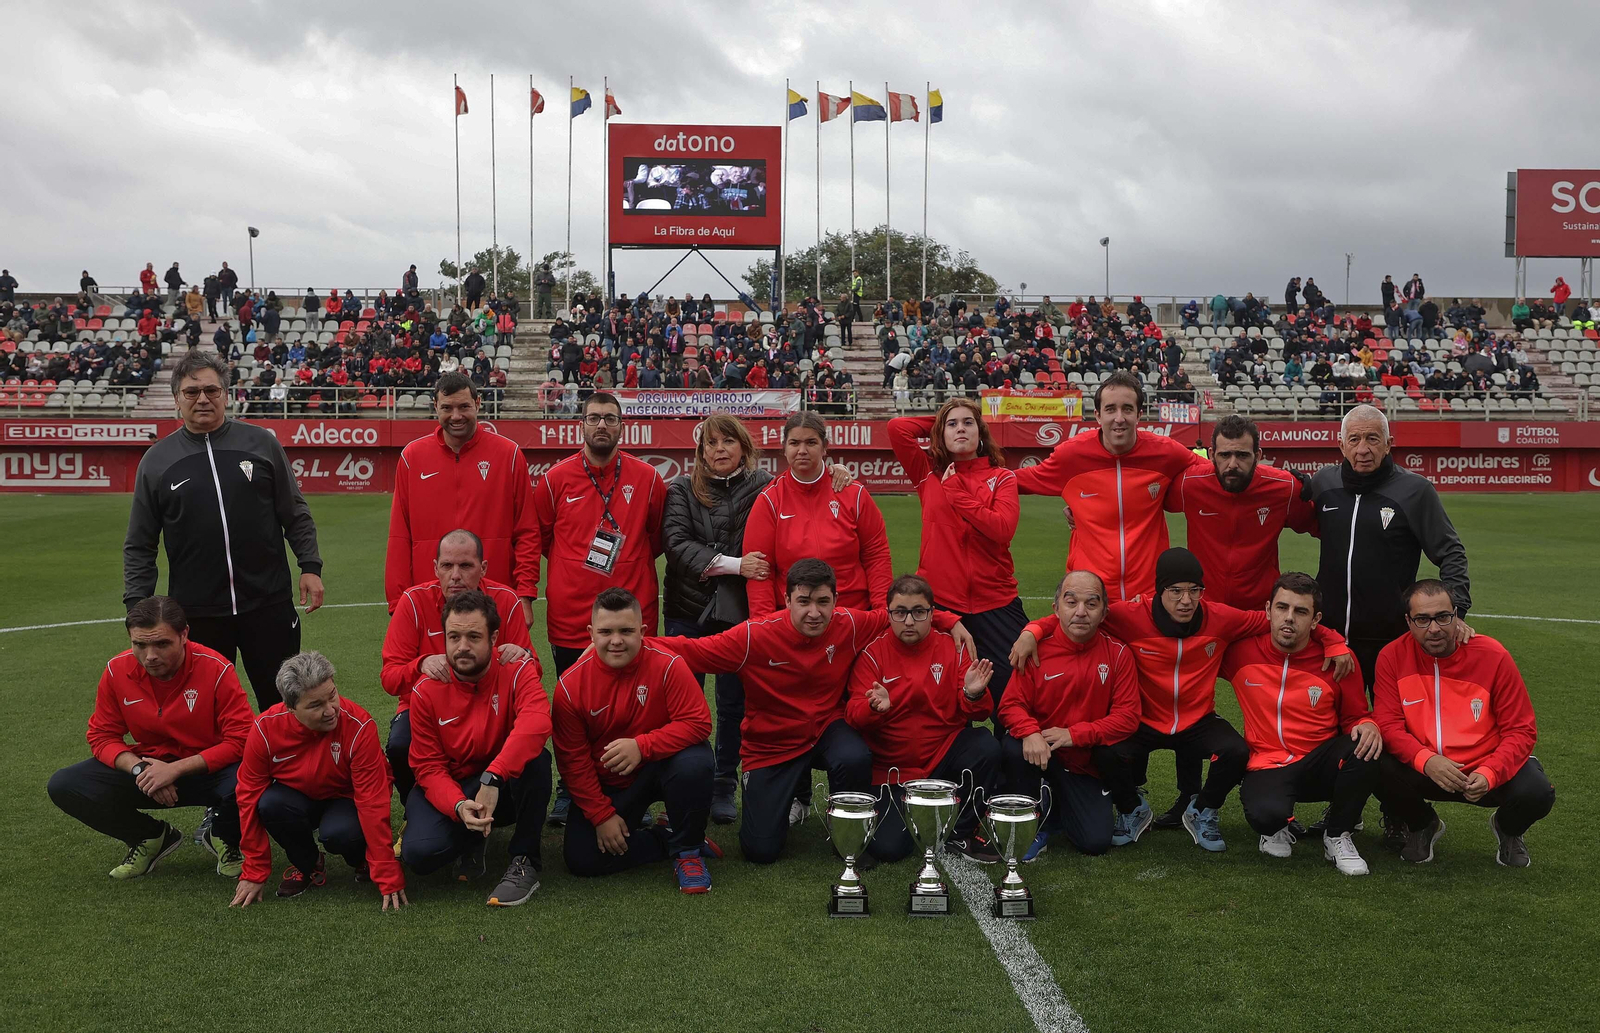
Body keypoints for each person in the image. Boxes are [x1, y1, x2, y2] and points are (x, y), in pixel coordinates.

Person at [1012, 548, 1356, 850]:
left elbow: (1281, 620)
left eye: (1194, 590)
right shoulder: (1130, 616)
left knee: (1236, 751)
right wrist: (1034, 630)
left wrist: (1333, 640)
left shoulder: (1222, 618)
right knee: (1106, 751)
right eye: (1175, 591)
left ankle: (1202, 810)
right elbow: (1082, 613)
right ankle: (1132, 809)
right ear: (1159, 591)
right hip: (1145, 719)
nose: (1186, 600)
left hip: (1197, 719)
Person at [655, 559, 971, 863]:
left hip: (826, 729)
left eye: (823, 602)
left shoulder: (849, 623)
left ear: (835, 600)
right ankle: (787, 794)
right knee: (760, 850)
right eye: (804, 601)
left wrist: (948, 620)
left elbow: (897, 614)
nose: (814, 612)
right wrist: (639, 644)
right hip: (773, 743)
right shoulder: (754, 636)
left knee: (854, 754)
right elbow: (693, 651)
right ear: (787, 600)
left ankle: (849, 831)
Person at [123, 349, 324, 713]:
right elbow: (140, 543)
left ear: (226, 395)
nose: (203, 399)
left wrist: (309, 565)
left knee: (281, 707)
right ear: (177, 399)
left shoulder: (261, 443)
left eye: (212, 390)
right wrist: (137, 606)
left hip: (269, 604)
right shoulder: (156, 461)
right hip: (198, 612)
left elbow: (294, 512)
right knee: (206, 712)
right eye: (192, 392)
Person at [47, 597, 253, 880]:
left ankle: (223, 836)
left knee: (259, 776)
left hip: (208, 770)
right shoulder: (117, 670)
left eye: (162, 644)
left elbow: (241, 739)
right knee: (65, 784)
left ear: (184, 635)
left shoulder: (216, 668)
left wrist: (175, 769)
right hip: (149, 769)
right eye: (140, 645)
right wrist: (141, 769)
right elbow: (102, 735)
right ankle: (150, 837)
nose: (150, 656)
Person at [533, 391, 666, 824]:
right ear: (582, 425)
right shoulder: (555, 480)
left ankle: (633, 792)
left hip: (632, 617)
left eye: (610, 418)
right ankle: (571, 788)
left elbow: (656, 537)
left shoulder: (648, 478)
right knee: (572, 709)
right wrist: (577, 569)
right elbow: (544, 539)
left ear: (622, 426)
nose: (602, 425)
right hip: (571, 616)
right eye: (594, 418)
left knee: (635, 708)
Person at [1373, 580, 1554, 867]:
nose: (1434, 628)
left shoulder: (1493, 655)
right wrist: (1426, 760)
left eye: (1443, 617)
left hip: (1483, 769)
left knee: (1537, 792)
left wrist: (1490, 772)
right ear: (1408, 621)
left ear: (1456, 615)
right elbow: (1387, 724)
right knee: (1370, 760)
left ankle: (1508, 829)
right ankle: (1422, 824)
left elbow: (1521, 729)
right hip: (1426, 769)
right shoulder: (1391, 656)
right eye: (1422, 619)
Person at [553, 588, 718, 892]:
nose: (616, 640)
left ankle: (688, 852)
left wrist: (642, 747)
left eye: (626, 631)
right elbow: (572, 761)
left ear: (642, 631)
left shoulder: (668, 664)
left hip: (660, 767)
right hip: (611, 781)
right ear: (591, 634)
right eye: (606, 632)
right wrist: (601, 815)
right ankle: (666, 838)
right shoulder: (570, 685)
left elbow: (698, 723)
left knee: (695, 762)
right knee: (582, 859)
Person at [1221, 573, 1381, 876]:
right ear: (1268, 610)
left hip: (1321, 762)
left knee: (1366, 746)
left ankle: (1338, 835)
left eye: (1301, 611)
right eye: (1282, 607)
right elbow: (1199, 641)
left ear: (1316, 619)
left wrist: (1367, 724)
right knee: (1265, 816)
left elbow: (1354, 716)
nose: (1289, 618)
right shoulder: (1240, 653)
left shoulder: (1339, 660)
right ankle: (1277, 826)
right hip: (1267, 764)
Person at [402, 591, 552, 907]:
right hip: (455, 784)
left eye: (473, 636)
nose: (462, 647)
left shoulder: (517, 668)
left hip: (502, 784)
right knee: (420, 855)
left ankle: (525, 860)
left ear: (494, 638)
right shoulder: (426, 690)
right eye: (454, 637)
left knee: (535, 759)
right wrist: (458, 805)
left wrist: (494, 776)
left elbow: (537, 721)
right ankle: (472, 835)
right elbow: (428, 766)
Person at [887, 399, 1026, 734]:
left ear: (981, 433)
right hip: (943, 606)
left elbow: (1001, 529)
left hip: (997, 604)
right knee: (947, 704)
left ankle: (1011, 765)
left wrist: (956, 493)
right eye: (952, 424)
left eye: (968, 423)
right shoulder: (927, 473)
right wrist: (943, 420)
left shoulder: (1001, 478)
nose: (960, 428)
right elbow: (897, 428)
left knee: (1013, 701)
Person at [1308, 404, 1471, 688]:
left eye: (1372, 438)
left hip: (1391, 639)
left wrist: (1457, 611)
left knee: (1393, 716)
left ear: (1388, 444)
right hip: (1331, 638)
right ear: (1341, 445)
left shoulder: (1415, 490)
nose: (1363, 449)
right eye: (1354, 439)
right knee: (1330, 716)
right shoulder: (1324, 483)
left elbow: (1451, 552)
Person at [844, 575, 1002, 864]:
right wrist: (874, 708)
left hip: (942, 755)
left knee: (985, 746)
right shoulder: (872, 654)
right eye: (900, 612)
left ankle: (961, 831)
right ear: (888, 614)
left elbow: (980, 714)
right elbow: (853, 714)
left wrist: (973, 694)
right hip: (893, 769)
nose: (908, 621)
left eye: (918, 612)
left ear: (932, 614)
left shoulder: (953, 648)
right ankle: (925, 811)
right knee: (889, 849)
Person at [660, 414, 771, 824]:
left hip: (737, 612)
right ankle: (688, 781)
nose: (719, 449)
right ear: (701, 451)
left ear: (744, 446)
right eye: (711, 443)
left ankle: (724, 782)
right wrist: (736, 565)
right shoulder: (681, 488)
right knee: (682, 703)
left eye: (728, 441)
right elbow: (676, 545)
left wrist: (835, 472)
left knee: (733, 703)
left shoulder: (766, 486)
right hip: (686, 610)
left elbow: (804, 491)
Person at [230, 652, 406, 908]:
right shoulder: (265, 729)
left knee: (340, 833)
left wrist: (386, 870)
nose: (331, 710)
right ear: (291, 708)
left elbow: (372, 801)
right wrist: (254, 870)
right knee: (269, 804)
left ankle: (362, 859)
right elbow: (248, 796)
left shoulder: (358, 725)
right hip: (298, 797)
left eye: (332, 695)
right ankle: (308, 864)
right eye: (315, 705)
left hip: (346, 797)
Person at [1014, 371, 1208, 601]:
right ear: (1097, 415)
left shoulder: (1166, 452)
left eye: (1127, 409)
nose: (1119, 418)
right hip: (1089, 598)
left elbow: (1213, 474)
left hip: (1147, 596)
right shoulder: (1071, 456)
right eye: (1110, 409)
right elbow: (1015, 481)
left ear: (1139, 415)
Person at [380, 530, 536, 802]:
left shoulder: (506, 600)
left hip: (492, 706)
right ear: (435, 568)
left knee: (533, 749)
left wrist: (522, 655)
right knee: (400, 744)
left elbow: (534, 670)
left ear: (483, 568)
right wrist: (421, 664)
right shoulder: (413, 602)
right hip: (426, 711)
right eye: (447, 566)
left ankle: (510, 812)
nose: (455, 575)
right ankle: (415, 805)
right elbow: (390, 679)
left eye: (465, 566)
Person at [998, 571, 1141, 860]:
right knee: (1013, 746)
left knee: (1094, 842)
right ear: (1056, 608)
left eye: (1091, 604)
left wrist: (1074, 735)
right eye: (1071, 602)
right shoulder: (1035, 650)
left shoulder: (1118, 654)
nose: (1081, 612)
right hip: (1040, 754)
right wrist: (1030, 732)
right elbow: (1010, 705)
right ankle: (1035, 820)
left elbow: (1128, 716)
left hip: (1082, 762)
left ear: (1104, 613)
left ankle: (1059, 806)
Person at [385, 372, 539, 621]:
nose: (456, 416)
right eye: (447, 408)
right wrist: (397, 602)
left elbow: (527, 532)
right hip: (429, 599)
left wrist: (525, 594)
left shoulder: (508, 454)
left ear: (478, 404)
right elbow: (399, 537)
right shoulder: (412, 457)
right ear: (435, 406)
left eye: (464, 407)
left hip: (495, 598)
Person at [742, 411, 892, 616]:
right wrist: (765, 625)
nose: (802, 450)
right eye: (794, 443)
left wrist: (883, 612)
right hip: (794, 618)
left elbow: (876, 556)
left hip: (853, 613)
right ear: (784, 448)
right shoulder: (769, 500)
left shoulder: (854, 493)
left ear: (824, 447)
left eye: (811, 442)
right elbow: (760, 570)